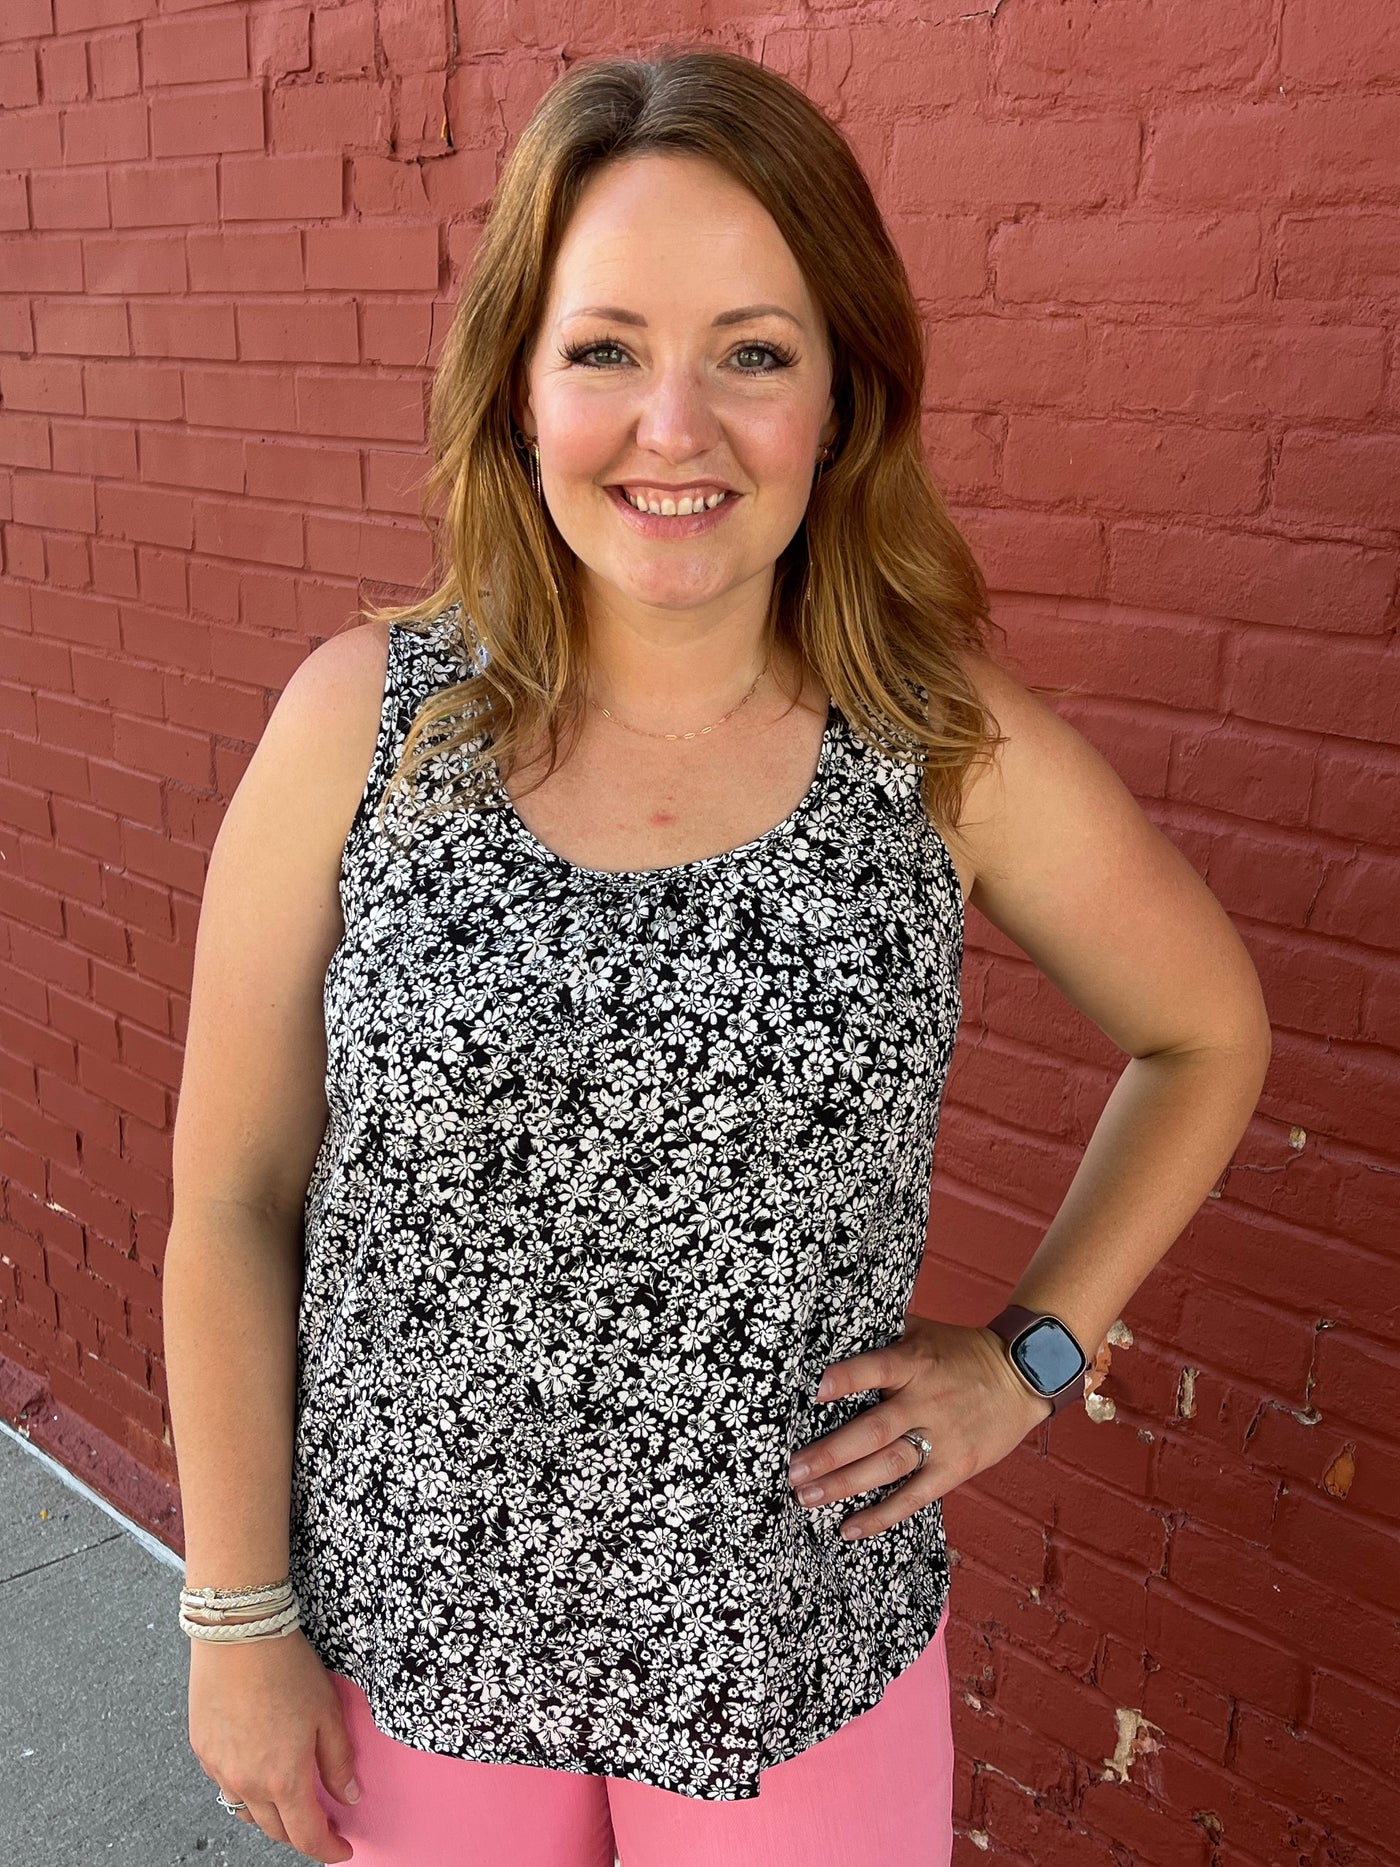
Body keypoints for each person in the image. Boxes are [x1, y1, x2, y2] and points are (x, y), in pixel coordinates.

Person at [160, 44, 1272, 1867]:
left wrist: (1034, 1359)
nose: (673, 426)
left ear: (841, 400)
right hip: (415, 1642)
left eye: (753, 353)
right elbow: (232, 1200)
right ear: (519, 388)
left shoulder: (937, 744)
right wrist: (236, 1615)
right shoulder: (357, 726)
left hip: (789, 1649)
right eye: (606, 350)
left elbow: (1205, 1031)